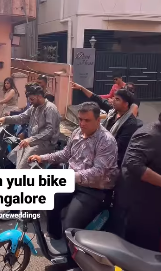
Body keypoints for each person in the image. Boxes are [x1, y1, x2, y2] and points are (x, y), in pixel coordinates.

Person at [29, 102, 118, 241]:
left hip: (94, 190)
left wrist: (71, 176)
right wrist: (42, 158)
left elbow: (98, 171)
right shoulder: (77, 132)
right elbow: (65, 154)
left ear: (98, 120)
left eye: (87, 120)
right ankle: (54, 236)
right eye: (80, 119)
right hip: (73, 181)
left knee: (70, 226)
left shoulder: (106, 140)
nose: (82, 124)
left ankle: (73, 259)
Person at [116, 115, 161, 252]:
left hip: (152, 204)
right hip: (139, 205)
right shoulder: (150, 134)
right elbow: (134, 164)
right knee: (140, 250)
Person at [72, 83, 140, 167]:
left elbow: (117, 147)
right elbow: (97, 99)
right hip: (100, 151)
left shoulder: (130, 124)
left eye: (117, 99)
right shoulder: (113, 112)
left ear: (126, 104)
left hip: (112, 161)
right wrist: (82, 88)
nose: (113, 100)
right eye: (114, 98)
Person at [0, 84, 61, 169]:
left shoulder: (50, 108)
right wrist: (5, 119)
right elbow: (21, 117)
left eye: (32, 99)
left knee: (22, 166)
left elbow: (49, 131)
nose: (30, 102)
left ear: (39, 96)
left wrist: (30, 139)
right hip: (32, 142)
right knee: (11, 158)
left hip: (45, 144)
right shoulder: (34, 107)